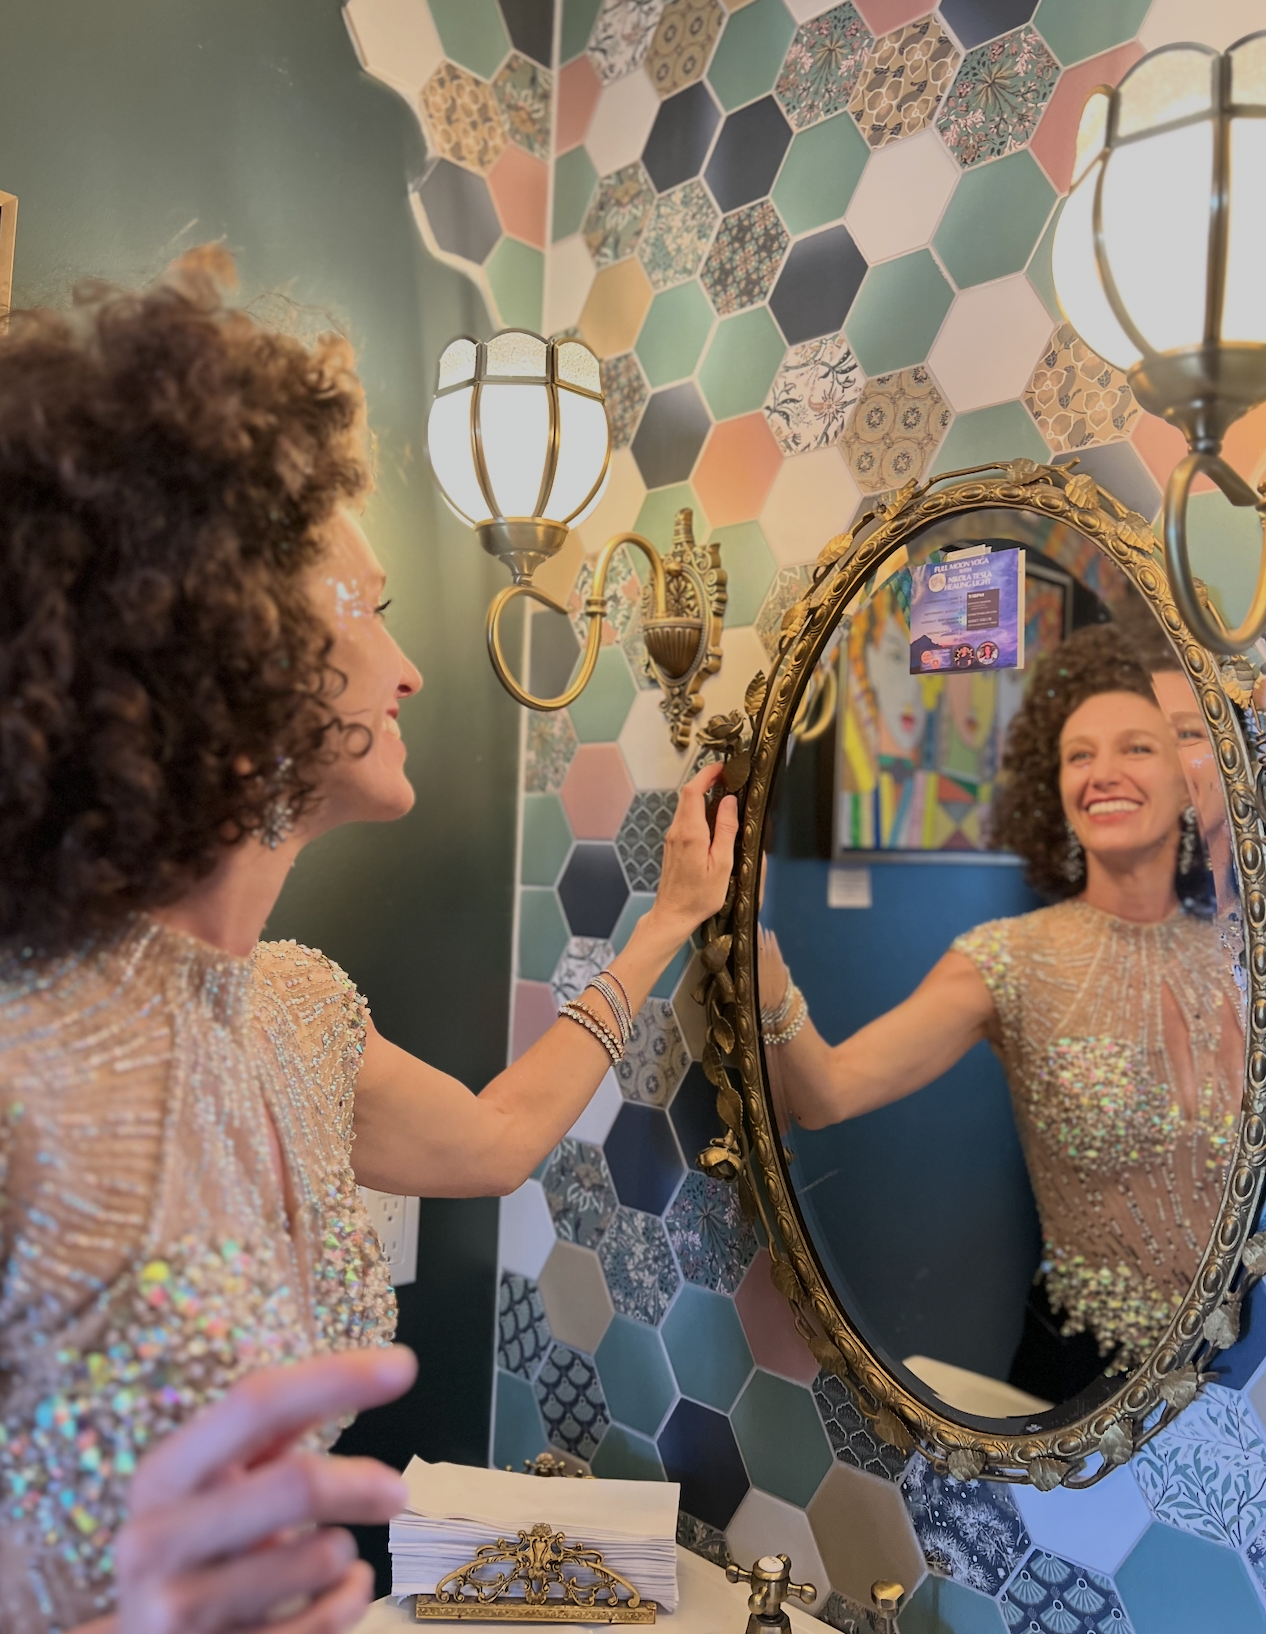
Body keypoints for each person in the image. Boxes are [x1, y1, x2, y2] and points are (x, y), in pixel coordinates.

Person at [0, 250, 738, 1634]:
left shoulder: (297, 1010)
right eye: (372, 607)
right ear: (217, 631)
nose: (407, 669)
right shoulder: (21, 1060)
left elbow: (496, 1140)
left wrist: (666, 927)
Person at [759, 625, 1243, 1401]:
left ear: (1191, 778)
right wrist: (762, 969)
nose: (1102, 774)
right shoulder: (1009, 958)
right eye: (1078, 755)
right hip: (1077, 1386)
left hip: (1236, 1375)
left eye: (1138, 748)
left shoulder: (1233, 954)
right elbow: (828, 1092)